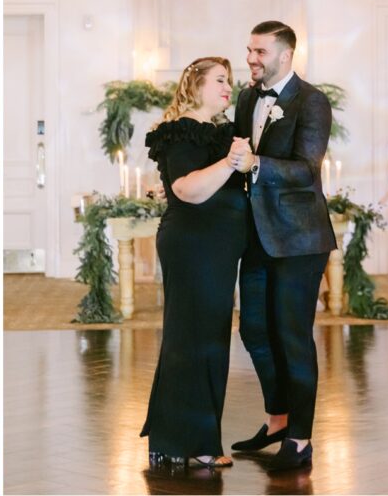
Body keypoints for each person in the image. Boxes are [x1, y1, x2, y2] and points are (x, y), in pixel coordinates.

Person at [230, 21, 336, 472]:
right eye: (249, 51)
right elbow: (235, 158)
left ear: (286, 55)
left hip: (298, 239)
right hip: (255, 235)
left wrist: (258, 163)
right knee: (253, 329)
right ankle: (277, 420)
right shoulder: (247, 97)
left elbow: (305, 168)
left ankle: (300, 438)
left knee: (293, 337)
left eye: (260, 52)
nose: (251, 59)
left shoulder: (311, 101)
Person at [141, 58, 251, 468]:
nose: (228, 87)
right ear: (195, 85)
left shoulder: (225, 133)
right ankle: (193, 443)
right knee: (193, 338)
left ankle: (181, 440)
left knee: (210, 337)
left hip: (219, 249)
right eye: (220, 80)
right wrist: (230, 162)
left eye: (230, 81)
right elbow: (187, 190)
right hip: (192, 247)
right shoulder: (180, 131)